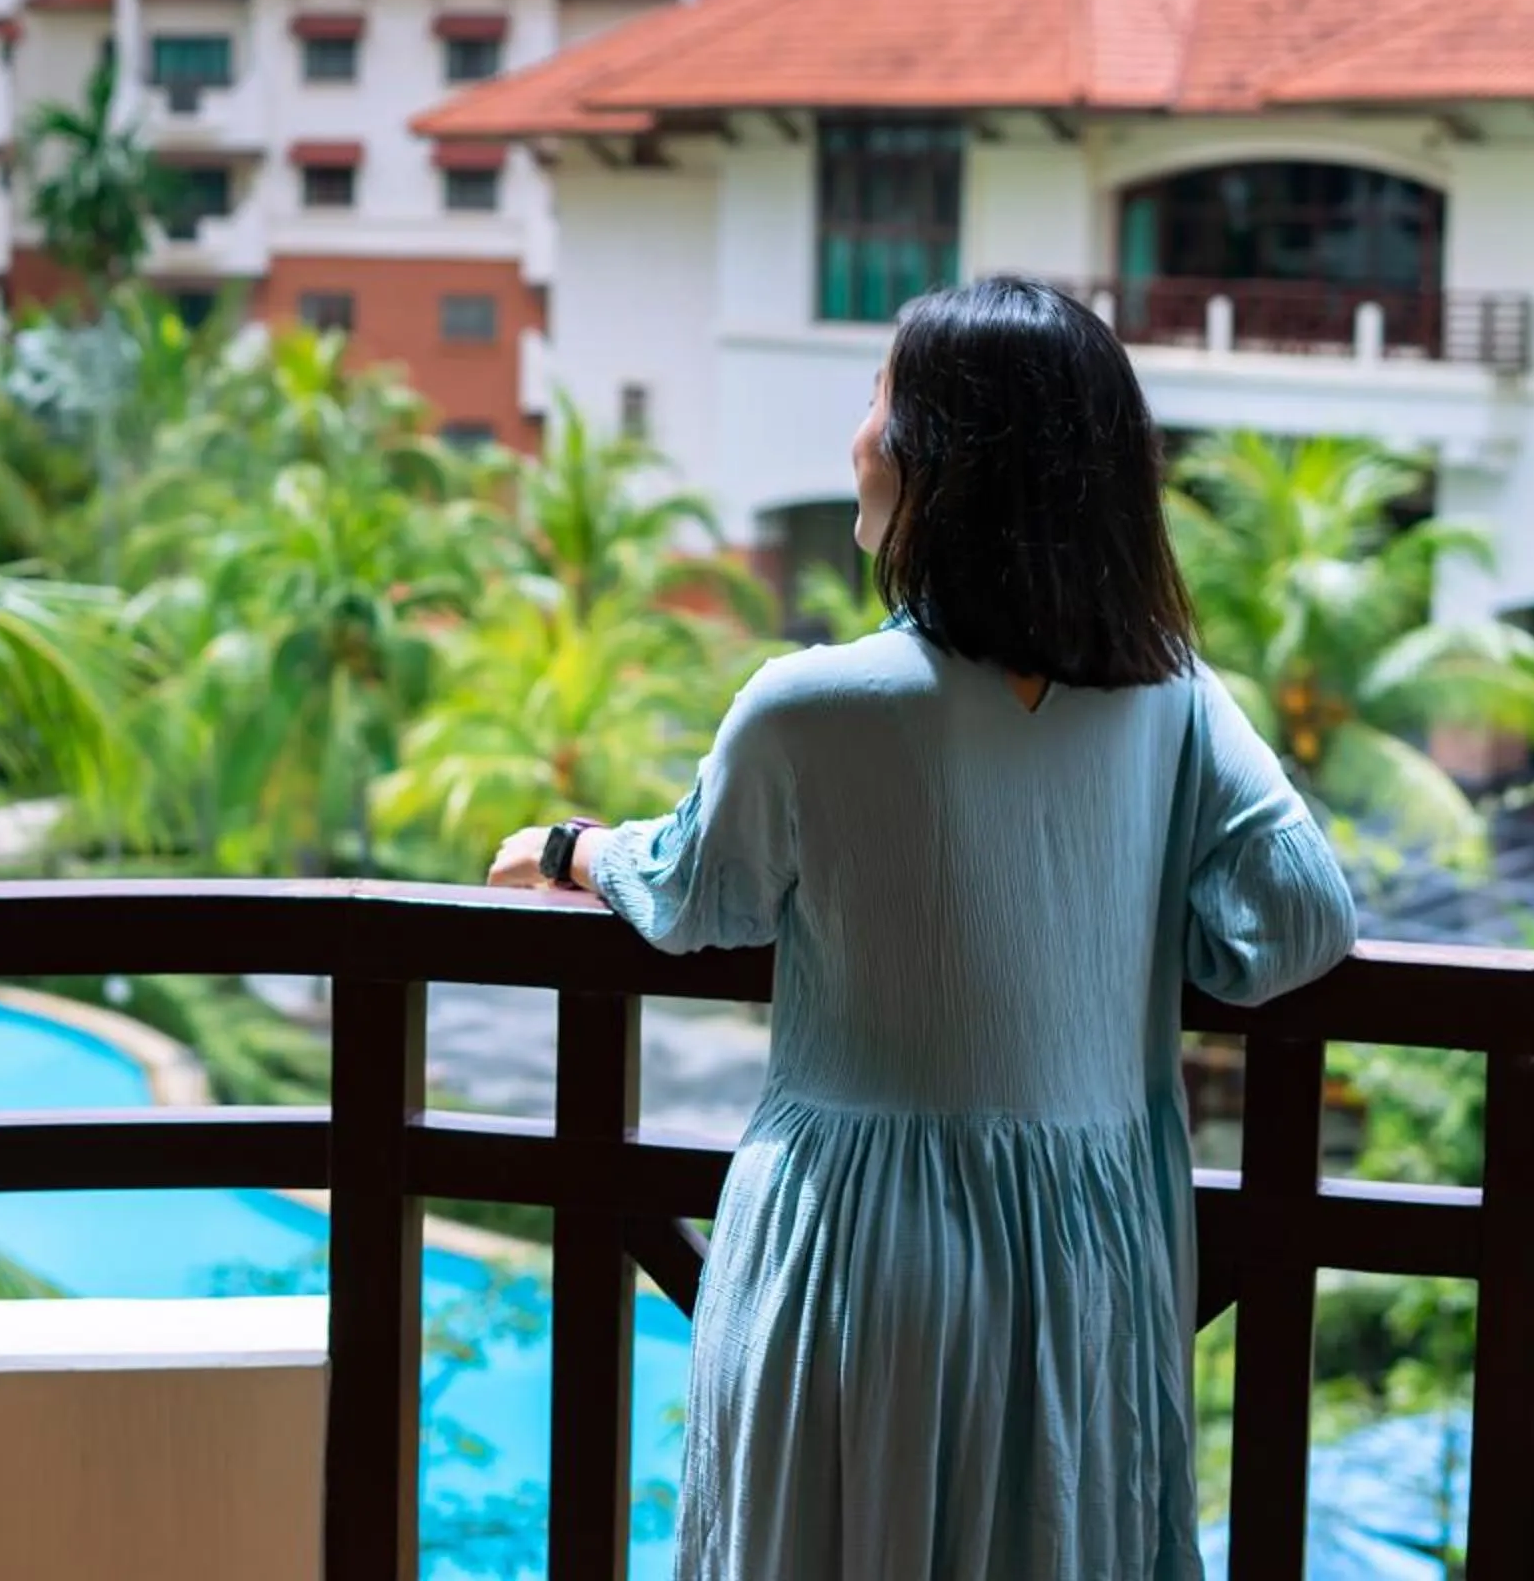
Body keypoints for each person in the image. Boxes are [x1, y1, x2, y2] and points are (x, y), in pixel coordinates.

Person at [488, 274, 1357, 1581]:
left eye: (879, 401)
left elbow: (697, 893)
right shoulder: (1171, 700)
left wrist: (575, 848)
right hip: (1087, 1262)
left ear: (942, 459)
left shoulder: (810, 704)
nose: (857, 435)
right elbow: (1297, 910)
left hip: (855, 1241)